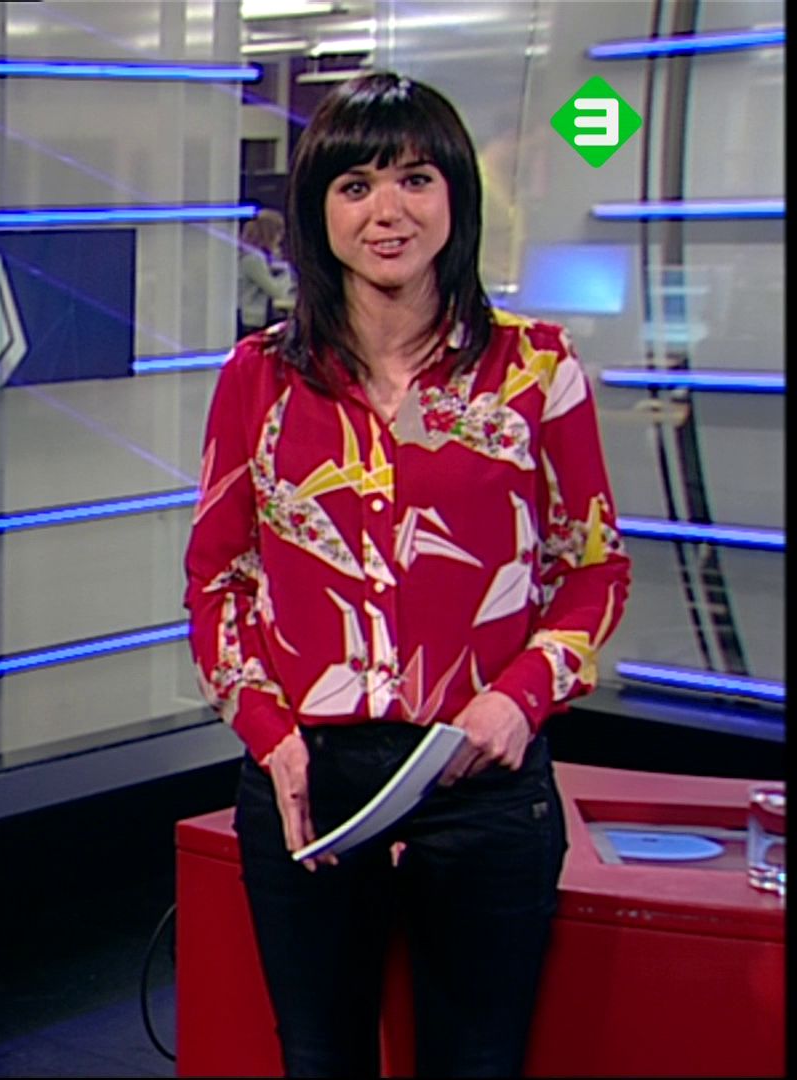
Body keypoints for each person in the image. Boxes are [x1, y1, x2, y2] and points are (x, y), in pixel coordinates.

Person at [183, 71, 631, 1077]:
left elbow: (594, 568)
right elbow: (218, 582)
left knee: (477, 1062)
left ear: (457, 196)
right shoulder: (259, 377)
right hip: (310, 779)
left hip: (483, 781)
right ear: (319, 211)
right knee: (320, 1060)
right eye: (356, 186)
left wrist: (519, 699)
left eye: (415, 179)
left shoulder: (537, 368)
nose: (387, 211)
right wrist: (270, 737)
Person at [238, 208, 297, 336]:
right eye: (279, 234)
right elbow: (276, 291)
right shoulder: (253, 259)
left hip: (258, 318)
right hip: (251, 321)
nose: (280, 239)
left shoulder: (258, 257)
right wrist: (286, 271)